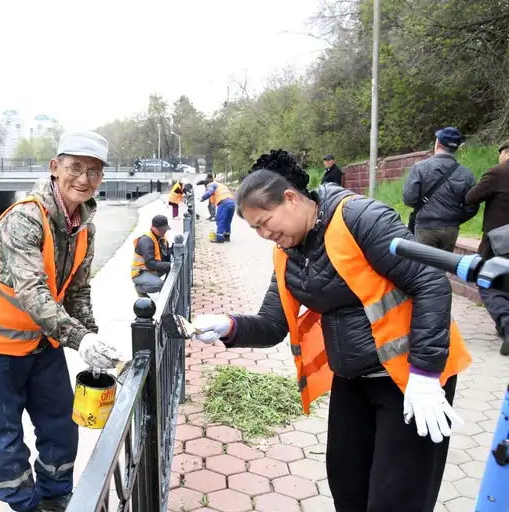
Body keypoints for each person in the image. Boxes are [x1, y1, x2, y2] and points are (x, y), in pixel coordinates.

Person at [191, 149, 472, 512]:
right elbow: (274, 324)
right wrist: (229, 326)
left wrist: (425, 374)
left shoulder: (360, 218)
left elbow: (430, 282)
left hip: (410, 378)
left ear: (290, 199)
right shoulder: (287, 251)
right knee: (347, 487)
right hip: (353, 379)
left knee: (397, 497)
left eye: (265, 222)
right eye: (255, 229)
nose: (263, 235)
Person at [0, 130, 123, 512]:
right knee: (3, 436)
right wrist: (78, 339)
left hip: (42, 341)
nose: (84, 179)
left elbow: (78, 290)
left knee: (60, 425)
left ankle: (55, 497)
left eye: (94, 172)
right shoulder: (25, 220)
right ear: (55, 168)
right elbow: (33, 292)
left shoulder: (84, 225)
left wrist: (91, 339)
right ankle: (25, 504)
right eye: (75, 168)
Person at [465, 139, 509, 356]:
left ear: (505, 153)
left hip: (500, 242)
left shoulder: (498, 172)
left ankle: (506, 322)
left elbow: (471, 196)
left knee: (486, 279)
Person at [402, 127, 479, 251]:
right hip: (451, 228)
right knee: (444, 265)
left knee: (424, 267)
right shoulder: (466, 173)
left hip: (425, 227)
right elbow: (472, 205)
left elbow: (409, 199)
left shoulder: (420, 168)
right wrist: (456, 218)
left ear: (437, 144)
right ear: (456, 148)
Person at [131, 214, 172, 297]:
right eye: (161, 230)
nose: (164, 232)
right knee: (159, 284)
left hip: (151, 270)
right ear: (153, 227)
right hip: (140, 273)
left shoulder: (161, 237)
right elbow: (150, 264)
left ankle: (166, 295)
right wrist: (169, 265)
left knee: (170, 272)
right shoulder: (146, 241)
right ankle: (140, 289)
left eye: (165, 229)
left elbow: (165, 253)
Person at [200, 178, 235, 242]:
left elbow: (209, 192)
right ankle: (227, 237)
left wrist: (202, 198)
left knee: (220, 220)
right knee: (227, 220)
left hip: (223, 202)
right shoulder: (221, 185)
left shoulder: (211, 185)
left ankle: (219, 238)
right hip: (232, 202)